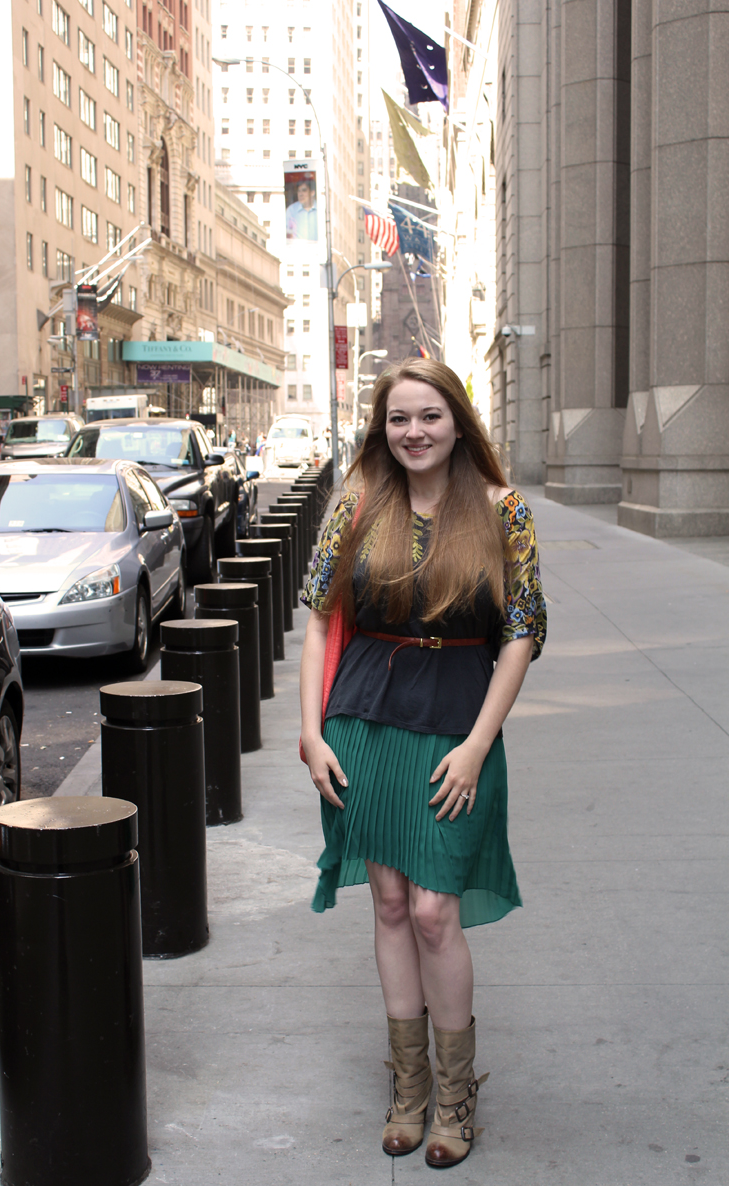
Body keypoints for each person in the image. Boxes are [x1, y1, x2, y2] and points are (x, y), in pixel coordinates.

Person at [299, 358, 546, 1168]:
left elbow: (522, 631)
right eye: (399, 418)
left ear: (458, 423)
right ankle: (409, 1091)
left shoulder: (504, 510)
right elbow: (316, 622)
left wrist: (478, 744)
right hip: (363, 720)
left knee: (437, 909)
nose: (414, 432)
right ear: (382, 428)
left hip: (455, 724)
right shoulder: (356, 506)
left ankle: (456, 1089)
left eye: (430, 416)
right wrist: (311, 731)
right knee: (393, 903)